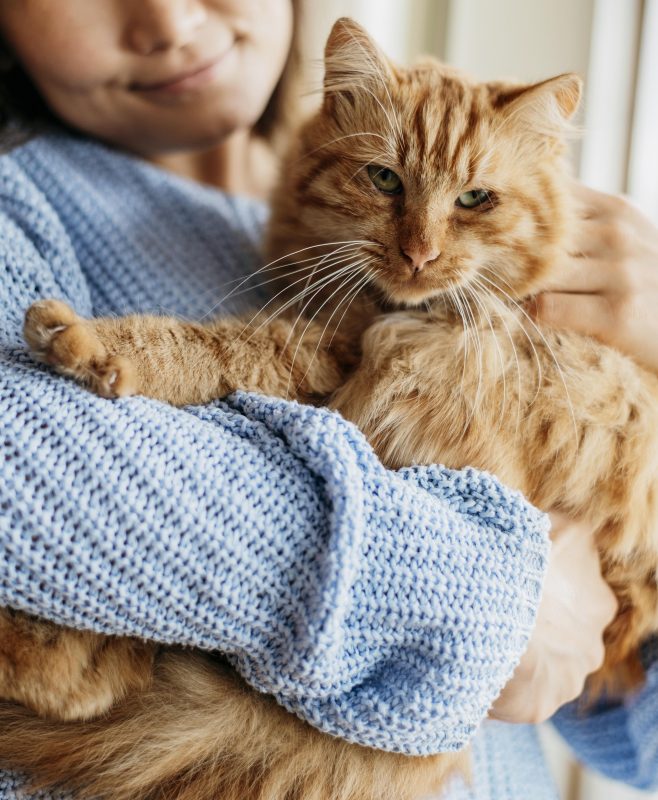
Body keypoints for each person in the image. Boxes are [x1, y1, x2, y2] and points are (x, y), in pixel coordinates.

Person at [0, 2, 653, 798]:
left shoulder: (485, 281)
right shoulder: (22, 202)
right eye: (383, 181)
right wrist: (497, 605)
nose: (167, 20)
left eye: (471, 204)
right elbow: (22, 471)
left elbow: (633, 732)